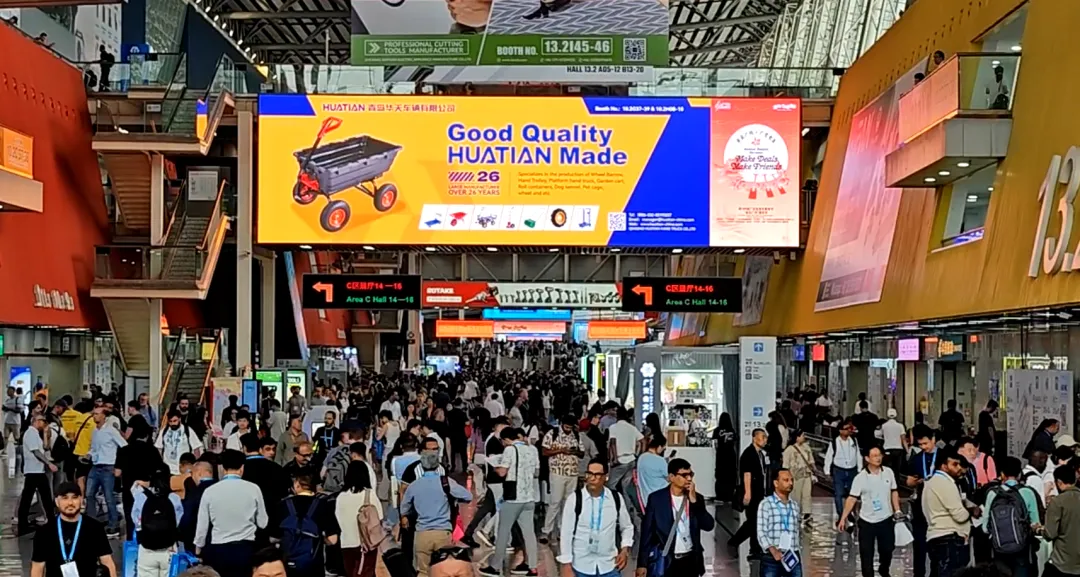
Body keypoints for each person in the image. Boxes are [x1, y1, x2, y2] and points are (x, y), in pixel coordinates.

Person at [401, 442, 473, 577]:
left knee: (422, 571)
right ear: (437, 464)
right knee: (442, 571)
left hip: (422, 534)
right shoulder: (446, 482)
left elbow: (404, 508)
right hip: (442, 533)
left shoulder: (414, 485)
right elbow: (468, 496)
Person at [636, 458, 715, 577]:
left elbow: (708, 525)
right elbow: (647, 532)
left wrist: (694, 502)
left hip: (690, 560)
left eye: (691, 474)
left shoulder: (696, 498)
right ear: (671, 477)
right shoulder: (656, 499)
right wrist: (642, 563)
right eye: (684, 475)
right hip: (666, 560)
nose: (689, 478)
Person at [196, 449, 269, 577]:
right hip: (246, 549)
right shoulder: (253, 489)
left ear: (223, 468)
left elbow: (202, 526)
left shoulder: (210, 491)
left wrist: (198, 548)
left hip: (219, 550)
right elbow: (263, 523)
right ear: (242, 468)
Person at [556, 458, 634, 577]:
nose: (592, 478)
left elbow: (627, 526)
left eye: (597, 475)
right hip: (581, 566)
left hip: (609, 565)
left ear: (605, 477)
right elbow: (566, 533)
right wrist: (566, 565)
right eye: (589, 474)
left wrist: (624, 550)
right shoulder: (575, 499)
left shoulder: (615, 498)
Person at [480, 427, 540, 577]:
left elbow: (502, 472)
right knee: (529, 534)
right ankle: (533, 567)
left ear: (505, 439)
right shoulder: (531, 450)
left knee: (503, 532)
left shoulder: (510, 450)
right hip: (529, 497)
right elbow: (536, 472)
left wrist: (494, 466)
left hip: (513, 498)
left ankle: (495, 567)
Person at [30, 482, 118, 577]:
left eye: (74, 497)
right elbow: (37, 568)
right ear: (57, 502)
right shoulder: (45, 532)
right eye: (65, 498)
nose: (70, 503)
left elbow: (107, 562)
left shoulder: (95, 528)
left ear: (81, 499)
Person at [839, 446, 901, 577]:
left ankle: (884, 569)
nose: (878, 458)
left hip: (886, 519)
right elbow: (852, 498)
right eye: (874, 456)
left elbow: (894, 491)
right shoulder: (860, 478)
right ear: (867, 458)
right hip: (867, 521)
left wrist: (897, 510)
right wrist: (843, 517)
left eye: (880, 455)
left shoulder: (888, 472)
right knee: (866, 554)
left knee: (888, 549)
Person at [982, 456, 1042, 577]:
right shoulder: (1027, 492)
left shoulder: (992, 493)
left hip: (999, 548)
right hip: (1022, 548)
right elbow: (1035, 523)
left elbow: (985, 528)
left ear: (1002, 474)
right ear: (1019, 474)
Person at [277, 470, 339, 576]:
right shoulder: (323, 505)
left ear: (297, 484)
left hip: (288, 563)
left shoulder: (283, 505)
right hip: (314, 564)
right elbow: (333, 540)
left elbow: (273, 538)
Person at [923, 448, 972, 577]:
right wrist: (971, 510)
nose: (959, 468)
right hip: (948, 538)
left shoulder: (932, 482)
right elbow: (960, 515)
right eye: (954, 465)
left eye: (959, 464)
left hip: (938, 536)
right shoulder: (944, 483)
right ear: (944, 466)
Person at [131, 466, 185, 577]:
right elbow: (178, 520)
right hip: (169, 548)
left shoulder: (141, 497)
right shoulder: (174, 498)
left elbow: (136, 520)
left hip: (147, 548)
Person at [541, 414, 584, 543]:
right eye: (566, 427)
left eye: (570, 427)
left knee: (568, 503)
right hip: (557, 472)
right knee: (555, 502)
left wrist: (574, 451)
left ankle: (563, 529)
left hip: (572, 473)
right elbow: (544, 451)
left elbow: (582, 453)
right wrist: (561, 451)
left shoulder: (576, 435)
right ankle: (546, 531)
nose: (568, 430)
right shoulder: (552, 434)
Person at [335, 461, 381, 577]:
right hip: (367, 544)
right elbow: (379, 517)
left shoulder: (341, 496)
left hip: (346, 543)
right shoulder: (370, 495)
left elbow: (337, 518)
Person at [86, 407, 126, 537]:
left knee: (109, 497)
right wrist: (89, 455)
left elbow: (123, 446)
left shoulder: (111, 431)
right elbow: (94, 448)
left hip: (108, 466)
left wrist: (119, 465)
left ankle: (113, 524)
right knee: (89, 494)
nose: (94, 416)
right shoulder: (94, 431)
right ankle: (91, 522)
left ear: (104, 416)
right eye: (94, 414)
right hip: (95, 465)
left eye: (97, 414)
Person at [240, 433, 290, 539]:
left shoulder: (241, 470)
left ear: (244, 448)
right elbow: (284, 493)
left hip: (247, 522)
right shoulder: (277, 468)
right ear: (260, 449)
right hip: (273, 519)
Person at [730, 428, 770, 556]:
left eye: (765, 437)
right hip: (752, 493)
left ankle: (755, 548)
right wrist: (748, 493)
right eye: (762, 437)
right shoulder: (748, 454)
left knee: (757, 521)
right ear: (754, 438)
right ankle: (735, 541)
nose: (765, 440)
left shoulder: (760, 454)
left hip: (760, 492)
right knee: (752, 521)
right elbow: (747, 475)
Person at [907, 426, 940, 577]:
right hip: (920, 508)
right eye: (920, 444)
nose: (923, 447)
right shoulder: (916, 459)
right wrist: (914, 482)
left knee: (937, 547)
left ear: (933, 439)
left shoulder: (944, 457)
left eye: (926, 443)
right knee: (919, 545)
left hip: (939, 509)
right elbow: (909, 481)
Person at [756, 469, 801, 577]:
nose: (790, 483)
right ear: (776, 483)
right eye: (786, 480)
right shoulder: (766, 504)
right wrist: (773, 550)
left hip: (792, 557)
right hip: (771, 558)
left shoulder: (794, 506)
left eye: (791, 480)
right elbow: (761, 531)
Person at [19, 414, 57, 535]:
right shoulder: (30, 433)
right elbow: (36, 452)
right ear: (36, 421)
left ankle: (50, 520)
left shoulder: (36, 434)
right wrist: (49, 464)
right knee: (29, 498)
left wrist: (46, 435)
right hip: (33, 471)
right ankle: (23, 524)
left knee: (44, 496)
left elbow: (45, 448)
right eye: (43, 421)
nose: (44, 423)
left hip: (38, 470)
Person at [1044, 465, 1080, 577]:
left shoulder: (1058, 502)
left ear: (1059, 482)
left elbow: (1050, 534)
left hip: (1062, 561)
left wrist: (1038, 529)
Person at [824, 419, 860, 520]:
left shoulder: (854, 441)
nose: (849, 430)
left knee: (852, 494)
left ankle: (849, 512)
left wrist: (859, 469)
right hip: (839, 470)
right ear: (840, 430)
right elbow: (829, 457)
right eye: (846, 429)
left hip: (852, 470)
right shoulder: (834, 442)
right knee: (838, 494)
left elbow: (858, 455)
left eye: (850, 429)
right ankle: (841, 515)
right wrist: (827, 471)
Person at [179, 461, 215, 552]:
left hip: (200, 543)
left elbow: (187, 518)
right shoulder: (221, 488)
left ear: (198, 473)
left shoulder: (196, 492)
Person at [782, 430, 815, 526]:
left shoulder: (806, 447)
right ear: (797, 437)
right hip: (795, 476)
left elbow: (811, 460)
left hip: (806, 474)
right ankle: (795, 513)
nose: (804, 437)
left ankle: (807, 513)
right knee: (796, 495)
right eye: (802, 435)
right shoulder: (789, 450)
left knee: (807, 494)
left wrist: (814, 470)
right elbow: (785, 465)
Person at [607, 407, 643, 491]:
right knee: (626, 486)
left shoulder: (613, 427)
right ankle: (626, 500)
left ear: (617, 415)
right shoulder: (632, 428)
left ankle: (615, 499)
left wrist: (615, 458)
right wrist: (639, 455)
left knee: (611, 485)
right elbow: (643, 440)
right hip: (631, 459)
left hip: (620, 459)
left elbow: (613, 442)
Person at [158, 409, 204, 475]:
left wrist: (195, 466)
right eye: (170, 421)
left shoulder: (187, 430)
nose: (172, 423)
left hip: (184, 469)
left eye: (175, 421)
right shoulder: (164, 431)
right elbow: (159, 448)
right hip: (168, 469)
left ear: (179, 419)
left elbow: (196, 448)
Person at [637, 435, 671, 502]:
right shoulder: (660, 460)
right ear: (659, 446)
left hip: (645, 498)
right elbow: (670, 478)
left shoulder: (641, 457)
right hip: (661, 497)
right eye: (663, 448)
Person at [713, 412, 738, 501]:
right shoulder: (732, 430)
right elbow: (734, 442)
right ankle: (729, 496)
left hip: (721, 455)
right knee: (730, 475)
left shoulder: (717, 430)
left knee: (720, 476)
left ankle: (720, 496)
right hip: (730, 455)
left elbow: (715, 444)